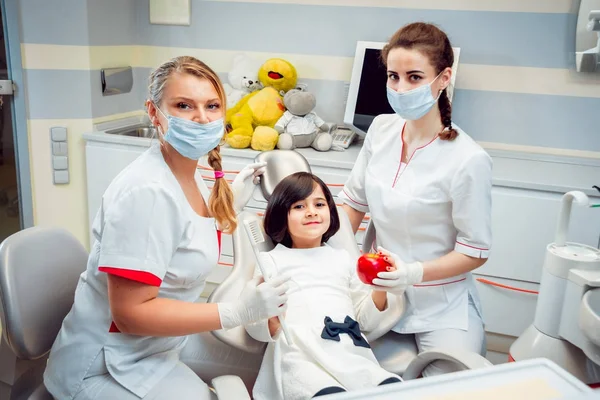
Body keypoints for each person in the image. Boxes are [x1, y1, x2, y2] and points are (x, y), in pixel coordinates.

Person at [43, 56, 290, 399]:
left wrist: (228, 204)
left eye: (212, 105)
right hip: (107, 364)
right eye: (184, 105)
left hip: (156, 346)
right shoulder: (146, 192)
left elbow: (177, 236)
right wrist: (236, 312)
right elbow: (131, 314)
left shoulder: (187, 174)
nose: (202, 118)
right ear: (153, 111)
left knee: (276, 364)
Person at [339, 22, 493, 377]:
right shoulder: (381, 129)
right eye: (393, 76)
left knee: (446, 385)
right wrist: (334, 257)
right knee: (354, 375)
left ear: (443, 78)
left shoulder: (468, 159)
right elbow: (352, 206)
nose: (400, 87)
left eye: (414, 77)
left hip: (441, 302)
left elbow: (474, 251)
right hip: (378, 294)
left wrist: (411, 273)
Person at [245, 172, 405, 400]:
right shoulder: (271, 261)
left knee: (391, 389)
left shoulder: (342, 259)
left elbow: (365, 319)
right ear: (282, 216)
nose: (311, 211)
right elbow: (251, 319)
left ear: (330, 211)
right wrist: (269, 320)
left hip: (349, 351)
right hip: (300, 354)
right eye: (299, 206)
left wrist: (380, 286)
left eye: (319, 204)